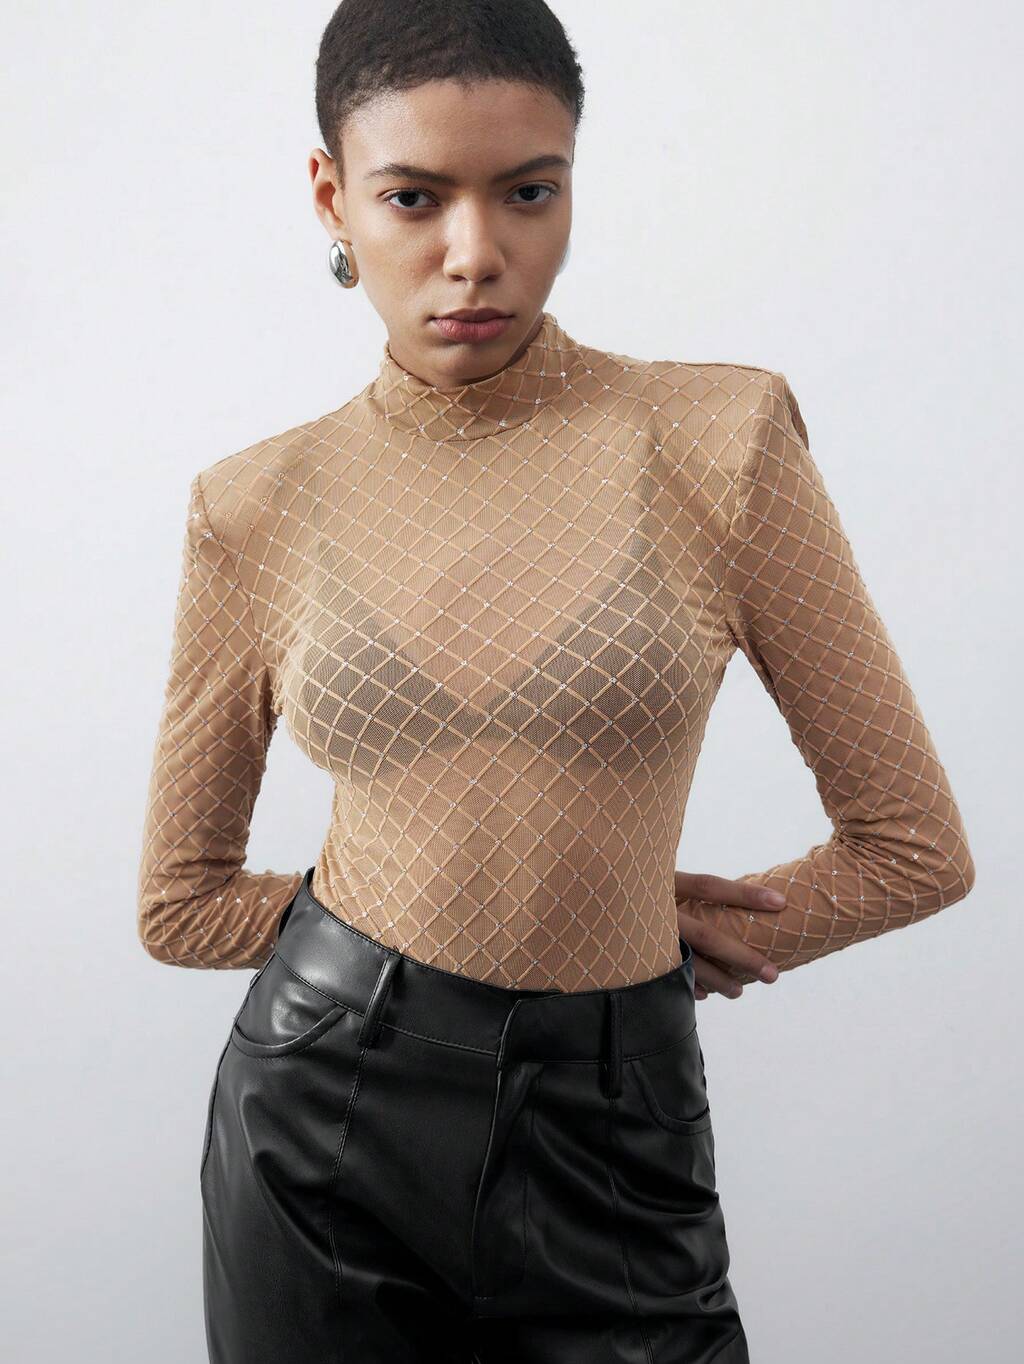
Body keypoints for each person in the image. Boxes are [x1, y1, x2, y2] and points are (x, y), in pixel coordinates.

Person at [135, 2, 976, 1360]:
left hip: (615, 1129)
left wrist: (635, 925)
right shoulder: (254, 504)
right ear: (332, 197)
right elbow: (178, 906)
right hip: (320, 1133)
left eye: (528, 192)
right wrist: (403, 939)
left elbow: (915, 849)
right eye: (413, 197)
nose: (475, 254)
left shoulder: (719, 440)